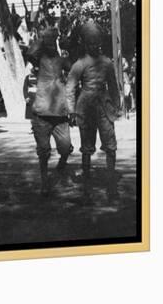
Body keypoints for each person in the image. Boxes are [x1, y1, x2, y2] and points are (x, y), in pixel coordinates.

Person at [65, 21, 121, 202]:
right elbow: (70, 88)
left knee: (111, 147)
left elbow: (113, 86)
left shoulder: (107, 63)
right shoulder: (79, 64)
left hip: (104, 108)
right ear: (85, 44)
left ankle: (112, 189)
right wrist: (71, 111)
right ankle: (86, 191)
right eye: (91, 42)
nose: (95, 45)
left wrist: (117, 106)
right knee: (87, 149)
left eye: (97, 42)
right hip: (86, 108)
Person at [26, 27, 73, 196]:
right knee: (44, 150)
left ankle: (62, 163)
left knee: (66, 147)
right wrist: (42, 39)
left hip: (60, 113)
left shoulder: (61, 60)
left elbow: (74, 68)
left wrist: (65, 44)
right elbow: (30, 53)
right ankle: (45, 181)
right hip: (42, 113)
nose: (51, 44)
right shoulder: (39, 60)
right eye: (49, 41)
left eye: (54, 41)